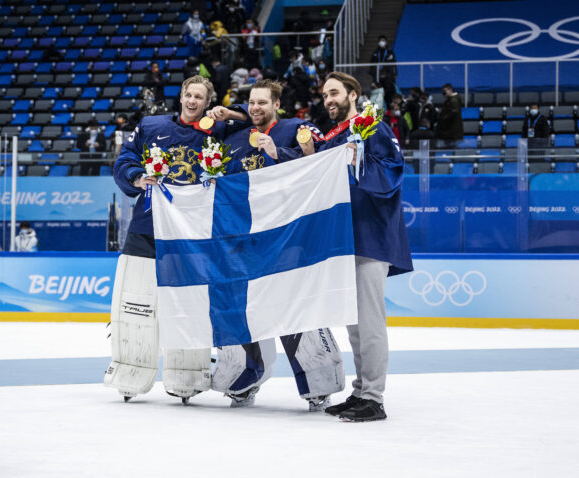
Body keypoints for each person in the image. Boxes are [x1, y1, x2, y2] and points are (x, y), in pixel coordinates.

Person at [106, 75, 246, 404]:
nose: (193, 101)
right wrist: (138, 177)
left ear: (208, 101)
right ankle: (130, 369)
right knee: (136, 303)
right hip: (147, 228)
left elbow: (254, 121)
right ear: (181, 96)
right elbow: (124, 161)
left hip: (193, 234)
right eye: (189, 94)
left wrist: (231, 114)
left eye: (200, 96)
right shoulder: (152, 126)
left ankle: (188, 374)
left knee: (190, 305)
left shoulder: (219, 129)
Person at [209, 79, 345, 410]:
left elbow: (320, 161)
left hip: (285, 240)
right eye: (251, 103)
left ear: (276, 104)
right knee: (239, 309)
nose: (256, 108)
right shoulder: (233, 140)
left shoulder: (296, 128)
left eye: (262, 103)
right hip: (242, 241)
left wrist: (278, 153)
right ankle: (243, 376)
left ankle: (319, 381)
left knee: (293, 307)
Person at [302, 71, 412, 422]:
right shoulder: (335, 137)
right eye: (324, 95)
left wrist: (357, 161)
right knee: (354, 324)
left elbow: (393, 173)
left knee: (370, 320)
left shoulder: (372, 127)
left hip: (370, 237)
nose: (328, 100)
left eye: (334, 93)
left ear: (353, 94)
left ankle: (374, 398)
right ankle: (361, 390)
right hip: (343, 240)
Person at [436, 83, 463, 149]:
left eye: (445, 91)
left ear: (450, 90)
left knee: (450, 148)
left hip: (451, 131)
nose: (444, 93)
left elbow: (453, 112)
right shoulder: (451, 99)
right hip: (451, 130)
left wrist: (443, 117)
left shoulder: (453, 100)